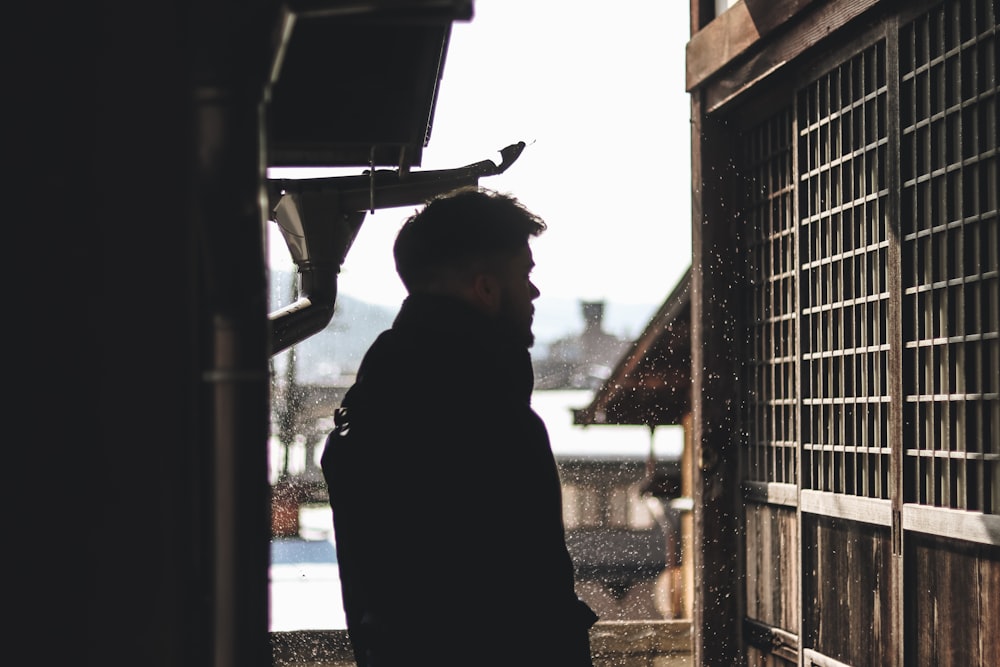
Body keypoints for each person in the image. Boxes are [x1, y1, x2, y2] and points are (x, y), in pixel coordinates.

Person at [321, 187, 598, 666]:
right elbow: (527, 599)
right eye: (525, 274)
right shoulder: (487, 416)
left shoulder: (373, 403)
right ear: (485, 288)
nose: (534, 292)